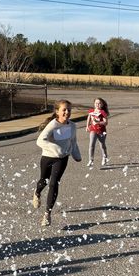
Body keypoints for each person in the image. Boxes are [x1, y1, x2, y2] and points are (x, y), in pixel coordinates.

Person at [33, 99, 81, 227]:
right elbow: (40, 141)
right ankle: (37, 193)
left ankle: (47, 214)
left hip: (62, 158)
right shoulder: (53, 125)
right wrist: (56, 149)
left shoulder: (72, 126)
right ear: (57, 111)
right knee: (44, 181)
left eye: (69, 110)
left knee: (54, 184)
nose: (67, 112)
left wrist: (76, 154)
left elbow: (73, 141)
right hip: (48, 157)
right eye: (64, 109)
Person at [86, 97, 110, 167]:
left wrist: (98, 122)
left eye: (99, 103)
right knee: (91, 145)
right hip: (93, 130)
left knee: (102, 145)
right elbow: (89, 118)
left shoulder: (103, 112)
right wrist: (87, 126)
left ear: (102, 105)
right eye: (96, 103)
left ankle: (104, 157)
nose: (97, 104)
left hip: (101, 131)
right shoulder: (91, 111)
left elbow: (106, 123)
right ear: (94, 104)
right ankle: (91, 160)